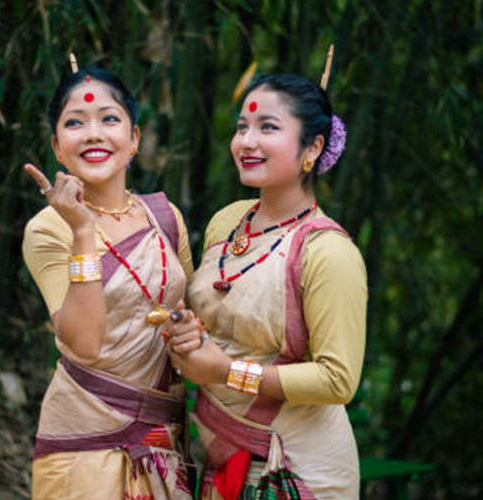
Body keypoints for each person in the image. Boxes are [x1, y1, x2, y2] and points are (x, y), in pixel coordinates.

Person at [166, 73, 367, 500]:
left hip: (293, 470)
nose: (246, 141)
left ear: (313, 148)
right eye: (242, 127)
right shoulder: (228, 221)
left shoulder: (328, 252)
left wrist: (226, 372)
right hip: (222, 457)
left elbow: (338, 380)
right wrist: (188, 333)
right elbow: (220, 325)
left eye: (268, 128)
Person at [22, 65, 196, 500]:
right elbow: (84, 342)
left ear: (134, 138)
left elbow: (192, 319)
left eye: (110, 119)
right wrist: (82, 231)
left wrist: (193, 331)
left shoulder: (166, 218)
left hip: (164, 443)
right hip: (84, 447)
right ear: (56, 147)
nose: (93, 133)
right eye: (75, 123)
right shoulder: (49, 230)